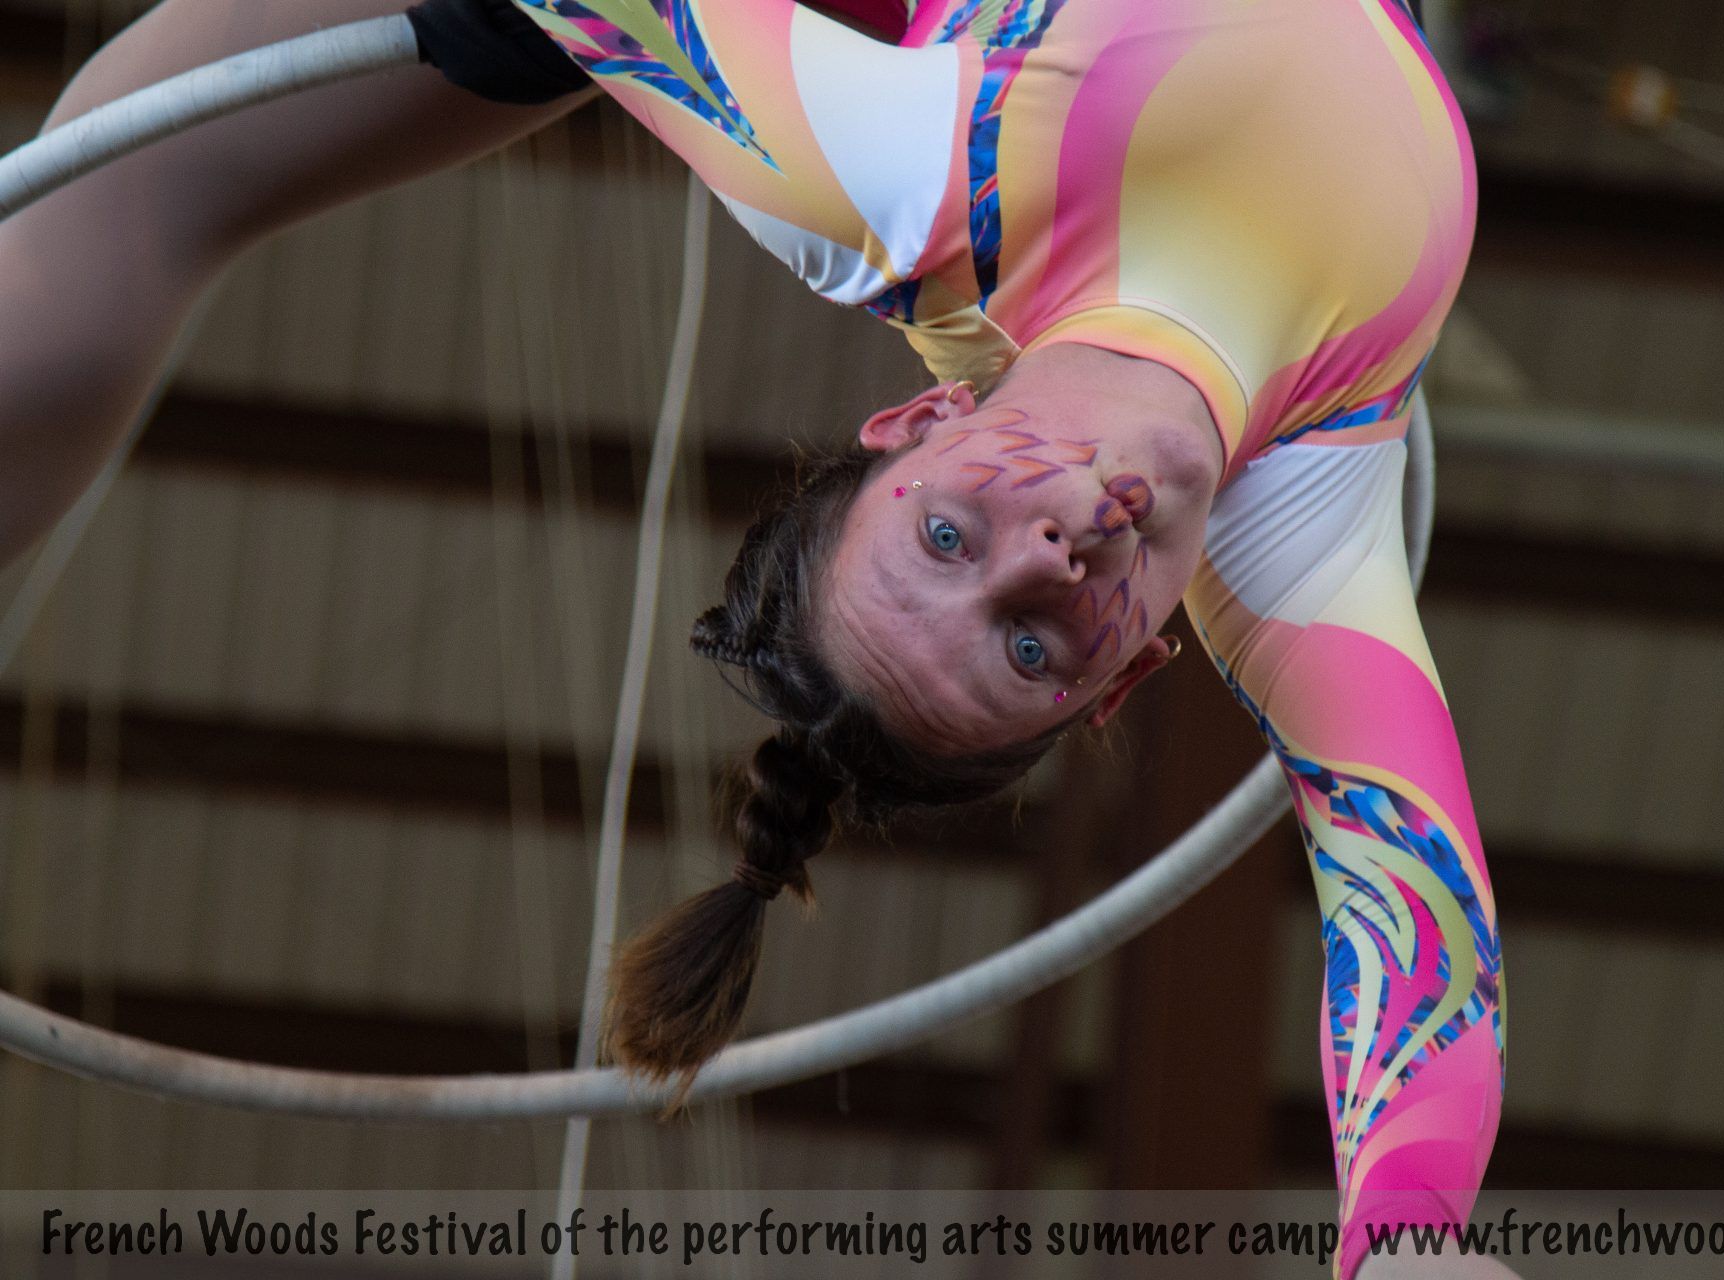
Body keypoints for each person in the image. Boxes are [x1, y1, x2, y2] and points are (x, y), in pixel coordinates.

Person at [0, 3, 1505, 1275]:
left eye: (945, 538)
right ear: (1130, 676)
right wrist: (1409, 1242)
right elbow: (1414, 917)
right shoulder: (1308, 524)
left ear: (922, 419)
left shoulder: (908, 188)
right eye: (1035, 652)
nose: (1044, 562)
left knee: (111, 198)